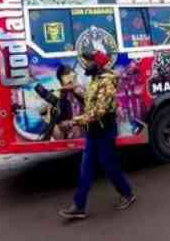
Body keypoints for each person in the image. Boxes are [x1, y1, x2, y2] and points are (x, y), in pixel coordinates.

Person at [58, 51, 136, 220]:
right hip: (93, 131)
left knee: (109, 166)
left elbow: (98, 112)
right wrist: (75, 91)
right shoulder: (95, 81)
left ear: (98, 64)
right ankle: (79, 206)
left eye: (89, 61)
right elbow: (89, 100)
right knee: (85, 168)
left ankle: (127, 193)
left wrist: (73, 122)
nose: (85, 64)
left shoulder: (107, 83)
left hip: (105, 130)